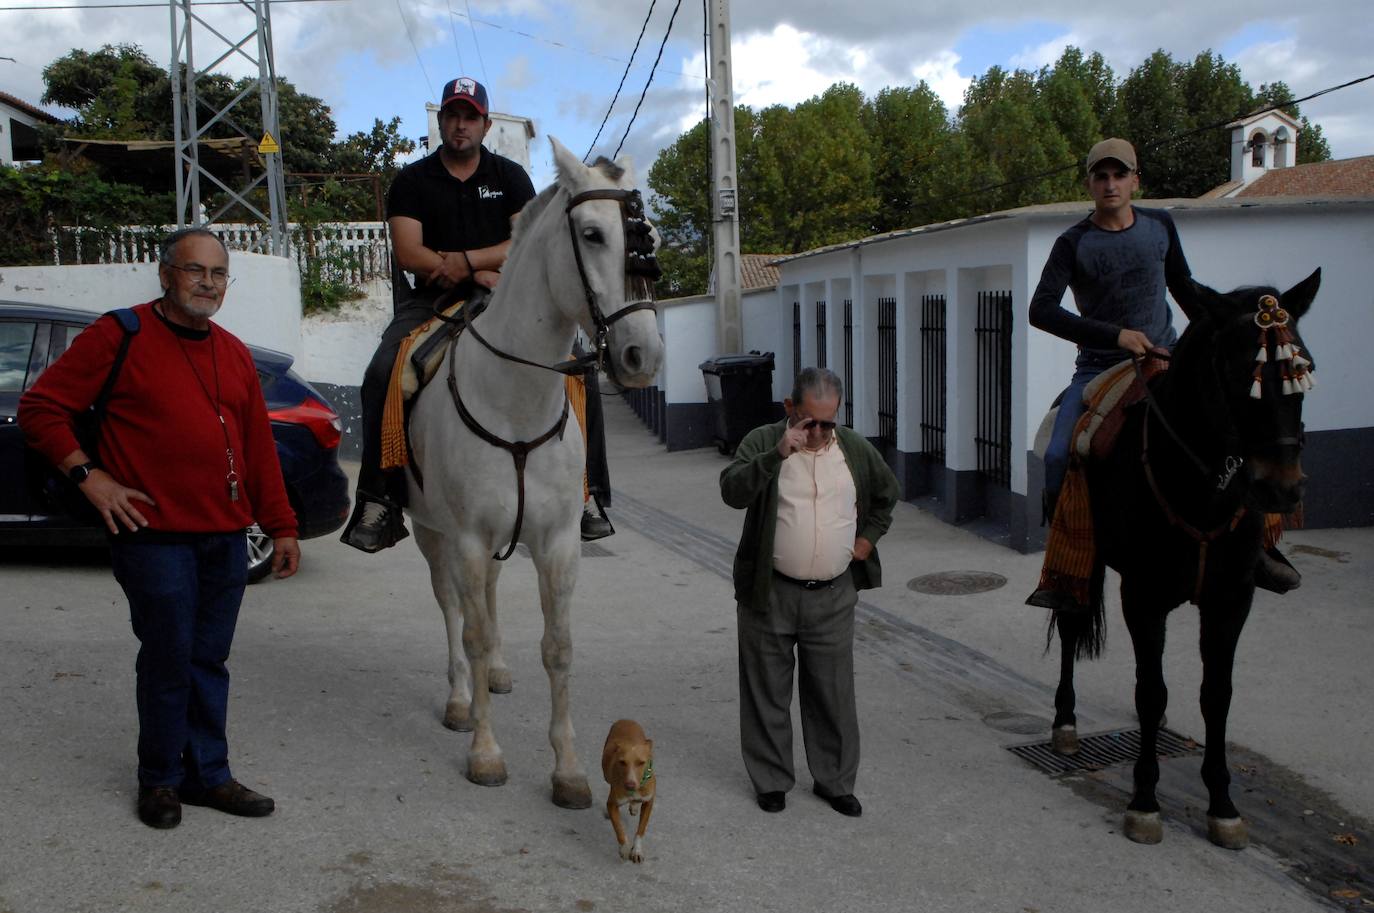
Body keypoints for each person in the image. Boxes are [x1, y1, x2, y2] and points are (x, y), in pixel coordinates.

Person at [19, 228, 301, 830]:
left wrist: (281, 527)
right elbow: (42, 409)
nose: (207, 282)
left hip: (224, 535)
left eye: (218, 273)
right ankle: (160, 781)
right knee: (169, 657)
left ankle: (209, 775)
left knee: (209, 658)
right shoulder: (120, 334)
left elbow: (257, 450)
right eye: (194, 270)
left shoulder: (232, 351)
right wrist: (91, 479)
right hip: (154, 535)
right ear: (165, 274)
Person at [1028, 137, 1299, 595]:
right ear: (1090, 183)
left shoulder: (1160, 227)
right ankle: (1069, 567)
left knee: (1244, 425)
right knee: (1058, 454)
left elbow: (1182, 285)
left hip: (1166, 358)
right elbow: (1042, 310)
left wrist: (1217, 334)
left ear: (1136, 180)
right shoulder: (1072, 243)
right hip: (1101, 368)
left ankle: (1262, 548)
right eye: (1101, 175)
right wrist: (1115, 335)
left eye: (1119, 175)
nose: (1110, 184)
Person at [341, 76, 536, 552]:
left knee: (574, 368)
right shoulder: (412, 180)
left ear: (485, 124)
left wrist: (466, 262)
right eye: (452, 115)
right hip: (430, 302)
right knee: (382, 370)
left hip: (502, 298)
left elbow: (525, 242)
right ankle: (379, 497)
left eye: (470, 116)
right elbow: (409, 252)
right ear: (441, 121)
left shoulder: (510, 177)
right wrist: (477, 268)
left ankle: (588, 491)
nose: (460, 124)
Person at [719, 367, 899, 818]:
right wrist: (778, 453)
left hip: (833, 595)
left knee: (833, 693)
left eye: (827, 422)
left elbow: (886, 496)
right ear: (789, 409)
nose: (817, 432)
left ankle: (834, 781)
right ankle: (772, 779)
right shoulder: (764, 441)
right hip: (770, 591)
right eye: (808, 421)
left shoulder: (853, 449)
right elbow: (732, 491)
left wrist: (866, 540)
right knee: (766, 690)